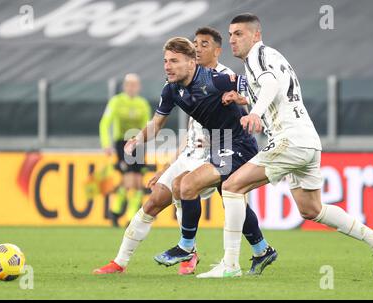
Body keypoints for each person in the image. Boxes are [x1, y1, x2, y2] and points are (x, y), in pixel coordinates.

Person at [196, 13, 373, 279]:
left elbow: (270, 84)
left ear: (256, 35)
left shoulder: (257, 55)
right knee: (311, 209)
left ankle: (230, 265)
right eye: (231, 34)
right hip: (308, 142)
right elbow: (277, 89)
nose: (233, 39)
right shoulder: (272, 57)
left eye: (239, 34)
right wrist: (246, 98)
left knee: (232, 187)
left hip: (289, 140)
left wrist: (254, 111)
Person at [93, 32, 276, 276]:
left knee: (192, 186)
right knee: (195, 189)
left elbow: (259, 86)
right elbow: (157, 124)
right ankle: (259, 249)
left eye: (174, 61)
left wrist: (244, 101)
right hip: (212, 149)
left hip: (237, 144)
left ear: (192, 63)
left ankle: (190, 249)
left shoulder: (217, 79)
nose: (168, 66)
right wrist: (137, 138)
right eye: (166, 61)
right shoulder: (171, 90)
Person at [98, 73, 151, 227]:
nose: (132, 88)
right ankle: (126, 216)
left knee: (138, 181)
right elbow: (104, 123)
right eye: (129, 84)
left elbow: (147, 126)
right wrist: (106, 144)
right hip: (122, 143)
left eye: (135, 85)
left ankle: (120, 214)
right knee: (130, 180)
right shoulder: (116, 101)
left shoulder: (142, 104)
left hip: (138, 143)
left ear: (139, 87)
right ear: (124, 86)